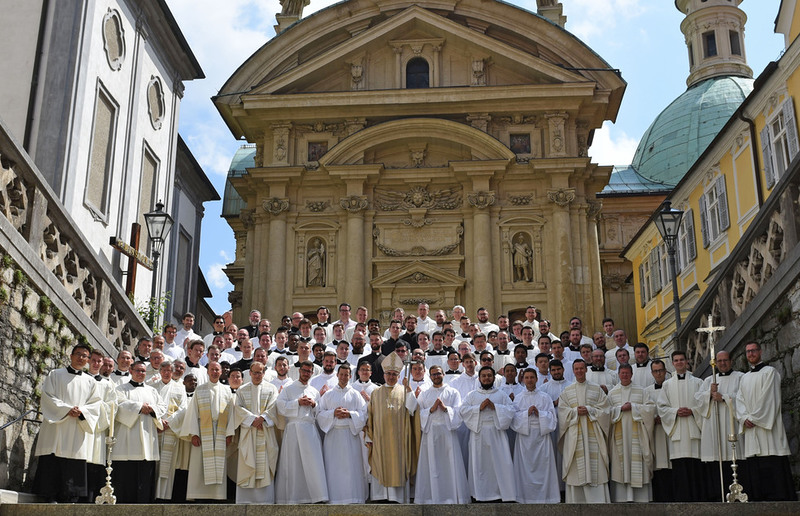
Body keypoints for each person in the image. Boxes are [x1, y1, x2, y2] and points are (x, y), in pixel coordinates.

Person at [33, 344, 102, 503]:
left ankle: (70, 496)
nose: (81, 358)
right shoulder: (55, 374)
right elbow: (47, 396)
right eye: (78, 354)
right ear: (71, 356)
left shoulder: (90, 382)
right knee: (53, 457)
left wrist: (82, 411)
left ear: (87, 360)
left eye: (85, 356)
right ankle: (50, 495)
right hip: (57, 425)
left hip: (77, 426)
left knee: (73, 459)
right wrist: (66, 409)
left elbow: (95, 404)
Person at [736, 341, 795, 501]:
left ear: (760, 352)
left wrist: (753, 418)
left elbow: (770, 399)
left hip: (768, 430)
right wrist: (744, 418)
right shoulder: (744, 378)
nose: (751, 354)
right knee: (756, 466)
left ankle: (781, 500)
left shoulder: (770, 372)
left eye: (753, 350)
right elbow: (739, 401)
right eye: (748, 352)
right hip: (751, 428)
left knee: (772, 461)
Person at [365, 351, 419, 503]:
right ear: (383, 375)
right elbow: (370, 415)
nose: (391, 377)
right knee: (380, 464)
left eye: (394, 374)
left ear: (399, 376)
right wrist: (369, 436)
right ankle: (380, 497)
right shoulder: (376, 393)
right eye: (388, 373)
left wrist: (409, 389)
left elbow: (413, 409)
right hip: (380, 439)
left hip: (399, 439)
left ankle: (397, 498)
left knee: (398, 465)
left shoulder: (404, 391)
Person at [412, 365, 469, 504]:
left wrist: (445, 409)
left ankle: (451, 496)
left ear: (443, 374)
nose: (436, 376)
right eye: (433, 374)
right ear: (430, 376)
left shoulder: (453, 392)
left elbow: (458, 412)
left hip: (448, 432)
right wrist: (431, 410)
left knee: (449, 464)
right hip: (430, 432)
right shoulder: (425, 394)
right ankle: (430, 498)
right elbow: (418, 414)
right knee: (431, 465)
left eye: (438, 373)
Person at [112, 361, 167, 503]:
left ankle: (144, 504)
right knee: (126, 476)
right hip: (127, 440)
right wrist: (139, 407)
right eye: (138, 370)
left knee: (145, 476)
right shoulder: (120, 389)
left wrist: (152, 409)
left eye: (143, 371)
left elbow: (162, 406)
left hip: (147, 439)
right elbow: (118, 405)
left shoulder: (152, 391)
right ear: (131, 371)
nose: (141, 373)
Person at [459, 366, 517, 502]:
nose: (486, 378)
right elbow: (463, 411)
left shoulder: (501, 394)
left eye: (489, 376)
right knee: (480, 465)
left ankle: (501, 494)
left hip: (497, 433)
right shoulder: (472, 395)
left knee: (500, 463)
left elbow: (511, 410)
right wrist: (478, 408)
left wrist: (495, 407)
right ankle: (480, 494)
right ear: (479, 378)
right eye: (484, 376)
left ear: (494, 378)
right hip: (478, 433)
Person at [558, 359, 611, 503]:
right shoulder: (567, 391)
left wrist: (590, 410)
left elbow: (606, 410)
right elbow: (562, 412)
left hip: (593, 434)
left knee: (596, 468)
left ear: (586, 369)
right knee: (575, 468)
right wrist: (575, 411)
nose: (579, 371)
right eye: (576, 369)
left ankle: (599, 502)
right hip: (575, 434)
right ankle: (576, 502)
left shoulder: (597, 389)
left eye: (582, 368)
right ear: (573, 371)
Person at [180, 361, 235, 501]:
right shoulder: (200, 389)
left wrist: (229, 433)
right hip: (202, 431)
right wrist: (194, 433)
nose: (215, 372)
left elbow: (231, 414)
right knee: (199, 464)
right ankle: (199, 495)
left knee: (219, 464)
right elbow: (193, 412)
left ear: (221, 372)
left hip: (221, 431)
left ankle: (217, 496)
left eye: (217, 370)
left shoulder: (227, 390)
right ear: (208, 371)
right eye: (212, 369)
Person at [275, 360, 328, 504]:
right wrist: (297, 403)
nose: (306, 373)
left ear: (312, 373)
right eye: (304, 370)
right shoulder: (288, 389)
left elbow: (320, 412)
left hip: (310, 429)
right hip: (293, 429)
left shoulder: (314, 391)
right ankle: (293, 497)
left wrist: (314, 404)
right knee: (293, 463)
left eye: (309, 371)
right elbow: (280, 406)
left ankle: (316, 496)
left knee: (313, 463)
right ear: (299, 371)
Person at [695, 350, 743, 501]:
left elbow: (743, 400)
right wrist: (708, 394)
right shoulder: (708, 381)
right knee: (716, 461)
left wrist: (724, 398)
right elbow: (697, 403)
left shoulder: (740, 377)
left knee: (734, 458)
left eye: (725, 360)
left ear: (731, 361)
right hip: (713, 428)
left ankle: (737, 493)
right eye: (719, 361)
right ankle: (717, 496)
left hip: (731, 425)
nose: (722, 363)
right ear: (715, 363)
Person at [656, 350, 704, 502]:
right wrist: (675, 412)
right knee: (679, 467)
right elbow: (662, 407)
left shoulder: (698, 382)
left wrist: (693, 411)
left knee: (695, 466)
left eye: (681, 360)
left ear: (686, 361)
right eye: (676, 360)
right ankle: (682, 499)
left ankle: (697, 498)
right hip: (677, 432)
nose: (679, 362)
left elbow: (704, 405)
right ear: (672, 363)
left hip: (693, 429)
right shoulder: (667, 385)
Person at [317, 364, 368, 504]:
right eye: (341, 374)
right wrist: (333, 413)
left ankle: (353, 497)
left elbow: (364, 414)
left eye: (347, 375)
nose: (344, 377)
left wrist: (350, 414)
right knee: (334, 468)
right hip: (333, 435)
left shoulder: (356, 395)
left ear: (350, 376)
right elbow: (320, 414)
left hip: (350, 435)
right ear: (337, 375)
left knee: (352, 468)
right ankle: (335, 498)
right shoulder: (328, 395)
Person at [231, 362, 280, 504]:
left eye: (260, 372)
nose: (257, 375)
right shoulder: (242, 390)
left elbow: (273, 407)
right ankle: (245, 500)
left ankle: (265, 500)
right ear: (250, 373)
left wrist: (262, 419)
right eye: (255, 372)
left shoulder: (271, 389)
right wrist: (253, 420)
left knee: (265, 464)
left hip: (265, 432)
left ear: (264, 373)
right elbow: (238, 408)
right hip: (249, 433)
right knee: (247, 463)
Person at [607, 363, 654, 502]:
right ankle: (621, 498)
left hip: (637, 435)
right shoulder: (612, 393)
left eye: (627, 373)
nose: (625, 375)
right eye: (622, 373)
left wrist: (633, 407)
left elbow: (650, 408)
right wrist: (620, 409)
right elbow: (606, 412)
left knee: (637, 462)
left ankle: (641, 497)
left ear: (632, 374)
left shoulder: (641, 391)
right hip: (619, 434)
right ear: (619, 375)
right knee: (620, 463)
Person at [512, 368, 559, 503]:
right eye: (527, 378)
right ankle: (525, 497)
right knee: (525, 469)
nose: (529, 380)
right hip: (524, 438)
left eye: (532, 377)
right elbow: (513, 419)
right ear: (523, 380)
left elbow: (553, 418)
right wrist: (526, 414)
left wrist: (540, 414)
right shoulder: (518, 398)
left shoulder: (545, 397)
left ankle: (547, 498)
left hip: (541, 436)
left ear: (536, 379)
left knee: (543, 468)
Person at [153, 360, 190, 502]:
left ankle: (164, 496)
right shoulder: (152, 387)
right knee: (154, 462)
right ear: (160, 371)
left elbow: (183, 408)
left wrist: (169, 423)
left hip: (170, 429)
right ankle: (151, 494)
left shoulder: (180, 388)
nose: (166, 373)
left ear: (172, 372)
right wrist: (158, 422)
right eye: (164, 370)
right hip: (155, 429)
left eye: (169, 370)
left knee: (167, 465)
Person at [645, 359, 672, 502]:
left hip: (670, 430)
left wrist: (666, 417)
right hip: (656, 432)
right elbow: (646, 409)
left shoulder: (672, 386)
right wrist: (653, 418)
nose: (659, 373)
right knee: (659, 464)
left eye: (661, 370)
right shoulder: (647, 391)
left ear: (665, 371)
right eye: (655, 371)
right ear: (652, 373)